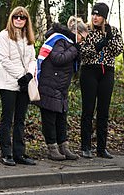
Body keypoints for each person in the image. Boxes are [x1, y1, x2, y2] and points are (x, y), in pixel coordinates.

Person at [36, 17, 88, 160]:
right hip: (50, 85)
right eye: (82, 38)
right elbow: (58, 58)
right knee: (50, 119)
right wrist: (74, 50)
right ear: (77, 33)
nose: (82, 41)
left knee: (61, 118)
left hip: (61, 87)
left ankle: (63, 146)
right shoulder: (59, 40)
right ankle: (52, 147)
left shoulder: (69, 43)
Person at [79, 2, 124, 159]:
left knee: (103, 111)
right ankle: (85, 146)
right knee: (88, 109)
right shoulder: (85, 29)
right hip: (89, 71)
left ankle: (101, 147)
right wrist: (97, 47)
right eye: (93, 14)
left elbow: (118, 50)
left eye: (98, 15)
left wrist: (109, 40)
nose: (95, 17)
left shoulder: (113, 31)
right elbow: (82, 51)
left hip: (107, 72)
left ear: (104, 17)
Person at [0, 6, 37, 166]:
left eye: (22, 17)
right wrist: (21, 75)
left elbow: (33, 59)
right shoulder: (4, 36)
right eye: (16, 17)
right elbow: (4, 60)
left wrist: (28, 75)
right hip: (8, 83)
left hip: (25, 84)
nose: (19, 20)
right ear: (11, 18)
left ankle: (19, 153)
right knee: (7, 118)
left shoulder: (28, 37)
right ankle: (6, 153)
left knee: (20, 119)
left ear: (27, 20)